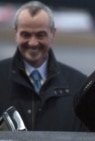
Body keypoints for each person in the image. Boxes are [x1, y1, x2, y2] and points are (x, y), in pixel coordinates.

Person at [0, 1, 88, 131]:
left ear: (53, 34)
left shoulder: (79, 85)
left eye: (40, 35)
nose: (33, 43)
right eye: (26, 34)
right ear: (15, 33)